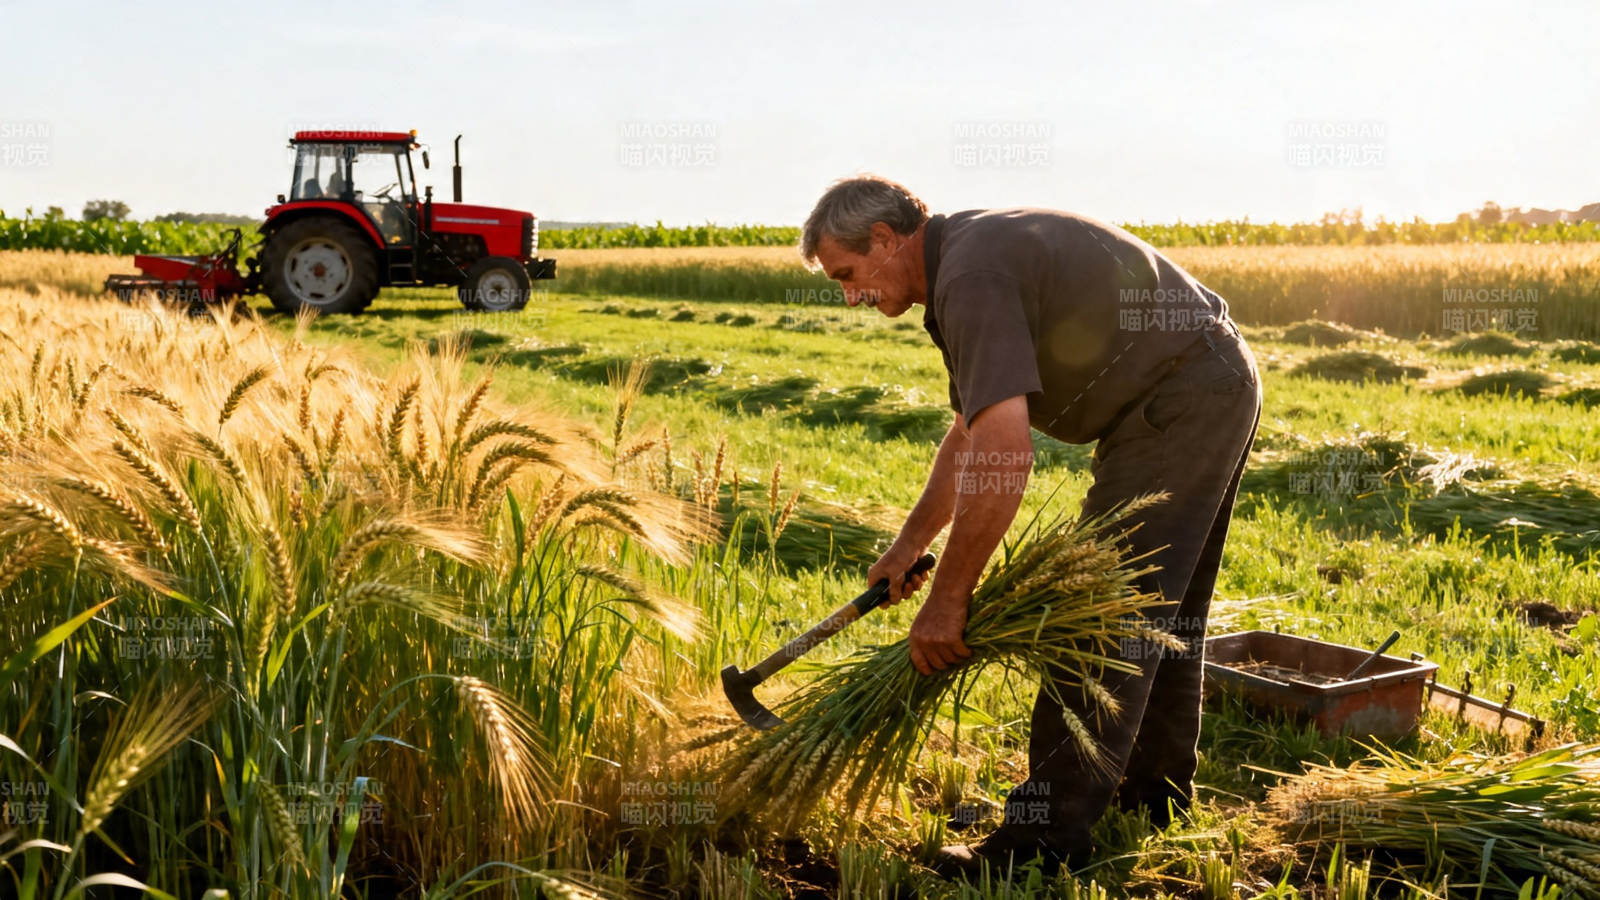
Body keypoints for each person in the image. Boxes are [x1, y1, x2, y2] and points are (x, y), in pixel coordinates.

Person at [800, 175, 1262, 878]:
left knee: (1098, 617)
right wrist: (910, 544)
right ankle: (1153, 798)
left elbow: (1004, 456)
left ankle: (1041, 843)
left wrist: (949, 598)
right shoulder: (965, 259)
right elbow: (969, 434)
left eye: (848, 273)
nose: (849, 294)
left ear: (886, 240)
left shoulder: (971, 274)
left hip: (1185, 393)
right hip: (1205, 379)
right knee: (1156, 615)